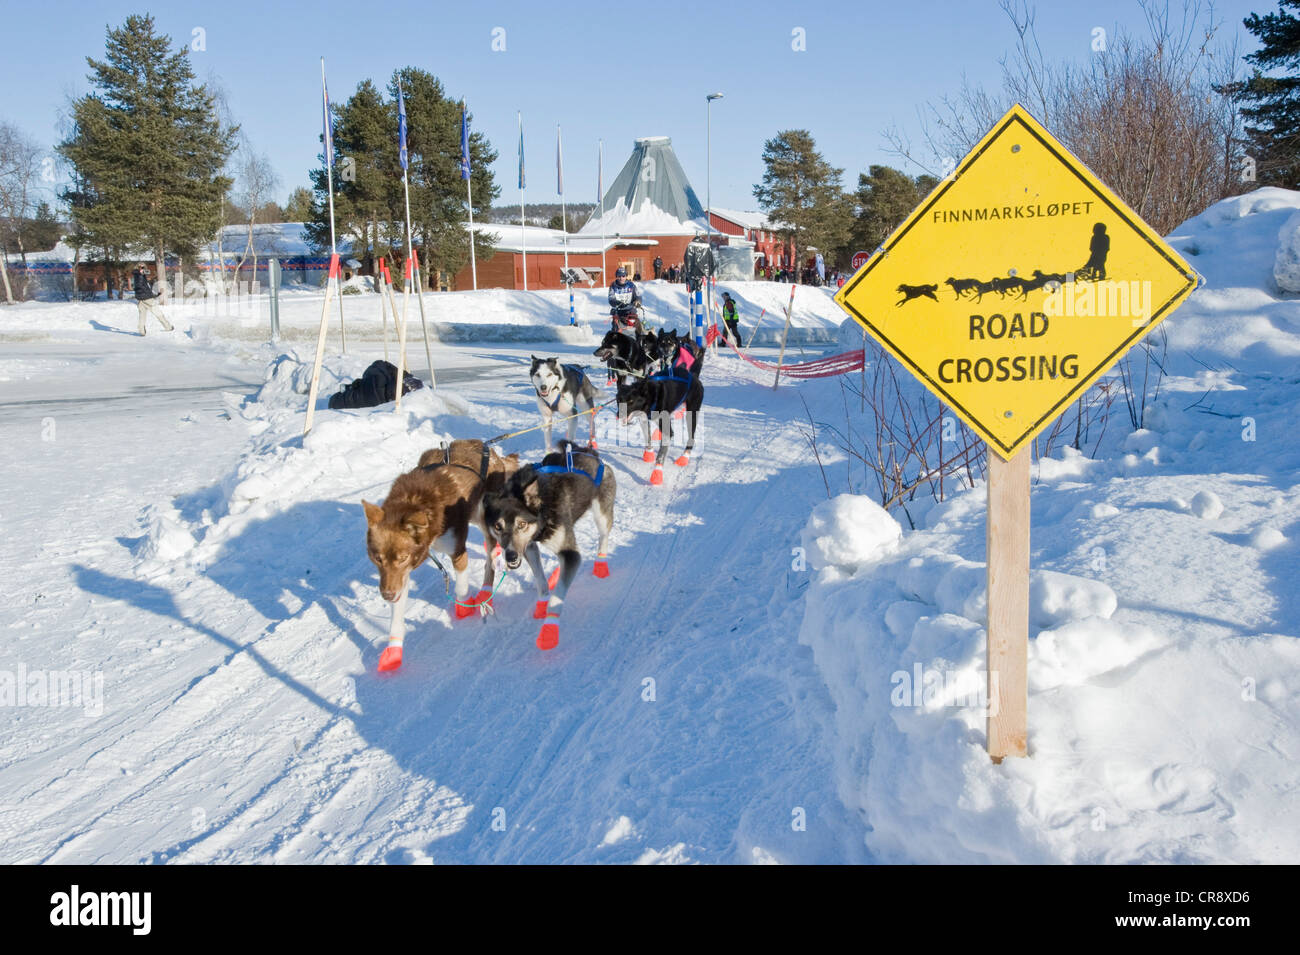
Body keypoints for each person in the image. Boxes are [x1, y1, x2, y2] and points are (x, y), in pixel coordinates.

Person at [132, 262, 173, 335]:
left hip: (140, 299)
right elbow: (142, 287)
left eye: (144, 267)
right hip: (147, 299)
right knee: (158, 313)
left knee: (142, 315)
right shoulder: (140, 275)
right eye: (142, 268)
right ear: (139, 268)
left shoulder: (136, 276)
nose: (144, 269)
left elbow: (144, 288)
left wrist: (157, 294)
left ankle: (141, 331)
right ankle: (168, 327)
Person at [608, 266, 643, 337]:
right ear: (616, 276)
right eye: (619, 276)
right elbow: (611, 298)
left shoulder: (631, 285)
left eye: (623, 276)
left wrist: (638, 301)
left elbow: (637, 295)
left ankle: (639, 340)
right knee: (616, 328)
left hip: (630, 311)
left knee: (637, 325)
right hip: (618, 311)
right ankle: (615, 342)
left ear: (626, 276)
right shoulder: (613, 286)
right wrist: (618, 303)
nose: (621, 278)